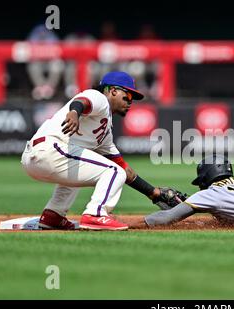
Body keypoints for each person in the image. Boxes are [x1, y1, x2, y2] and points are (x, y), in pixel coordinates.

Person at [21, 71, 184, 230]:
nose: (130, 102)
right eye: (128, 96)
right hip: (50, 149)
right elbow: (82, 101)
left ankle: (53, 216)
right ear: (113, 90)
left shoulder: (105, 130)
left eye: (132, 99)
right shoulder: (100, 98)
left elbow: (125, 170)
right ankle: (95, 214)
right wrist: (74, 113)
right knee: (114, 172)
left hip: (38, 156)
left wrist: (153, 193)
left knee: (92, 169)